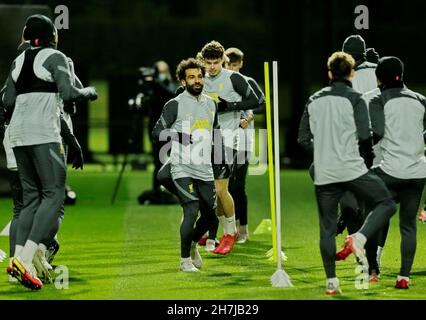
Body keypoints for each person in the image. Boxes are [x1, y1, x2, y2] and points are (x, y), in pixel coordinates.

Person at [2, 14, 97, 290]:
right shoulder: (55, 57)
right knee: (54, 194)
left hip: (17, 134)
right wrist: (89, 91)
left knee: (29, 199)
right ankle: (27, 258)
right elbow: (69, 94)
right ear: (53, 37)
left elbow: (7, 100)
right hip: (44, 132)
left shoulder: (17, 61)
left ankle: (18, 261)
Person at [298, 51, 396, 294]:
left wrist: (320, 151)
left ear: (330, 73)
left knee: (328, 227)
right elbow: (365, 137)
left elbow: (302, 139)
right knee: (383, 203)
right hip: (352, 168)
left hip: (324, 172)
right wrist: (365, 160)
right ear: (352, 73)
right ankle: (364, 256)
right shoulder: (355, 99)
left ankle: (332, 282)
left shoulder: (313, 99)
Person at [152, 58, 219, 272]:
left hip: (205, 169)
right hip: (182, 167)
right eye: (191, 77)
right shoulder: (175, 104)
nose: (197, 80)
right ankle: (184, 261)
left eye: (200, 76)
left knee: (210, 215)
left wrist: (221, 161)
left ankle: (192, 246)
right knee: (192, 208)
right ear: (183, 81)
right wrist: (177, 135)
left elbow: (215, 134)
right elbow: (156, 133)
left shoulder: (211, 104)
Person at [368, 56, 426, 289]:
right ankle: (404, 277)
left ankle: (372, 270)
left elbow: (378, 133)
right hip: (417, 172)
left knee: (373, 216)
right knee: (408, 225)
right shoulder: (421, 99)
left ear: (379, 77)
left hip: (389, 171)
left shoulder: (377, 100)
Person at [200, 40, 260, 255]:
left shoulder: (234, 78)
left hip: (229, 140)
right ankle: (216, 232)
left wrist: (230, 106)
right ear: (203, 61)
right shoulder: (201, 79)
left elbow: (257, 100)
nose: (212, 67)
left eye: (216, 62)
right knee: (209, 191)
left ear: (223, 60)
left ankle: (230, 233)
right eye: (208, 63)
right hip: (207, 140)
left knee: (221, 189)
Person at [224, 47, 265, 244]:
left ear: (241, 63)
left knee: (238, 185)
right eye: (228, 65)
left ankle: (243, 229)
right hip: (223, 141)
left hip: (243, 142)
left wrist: (249, 114)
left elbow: (262, 103)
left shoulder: (248, 82)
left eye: (234, 65)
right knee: (224, 186)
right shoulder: (221, 83)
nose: (231, 68)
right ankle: (228, 229)